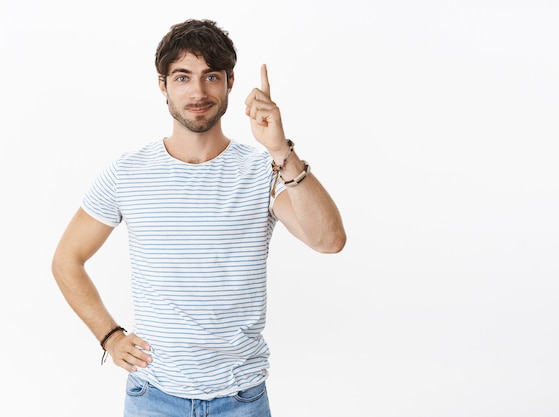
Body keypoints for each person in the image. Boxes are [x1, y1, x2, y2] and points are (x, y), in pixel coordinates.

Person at [51, 18, 346, 417]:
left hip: (241, 398)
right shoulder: (128, 172)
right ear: (163, 84)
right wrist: (110, 337)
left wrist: (280, 150)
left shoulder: (264, 170)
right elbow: (67, 261)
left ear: (229, 82)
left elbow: (329, 241)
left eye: (211, 76)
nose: (198, 91)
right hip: (152, 396)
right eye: (182, 77)